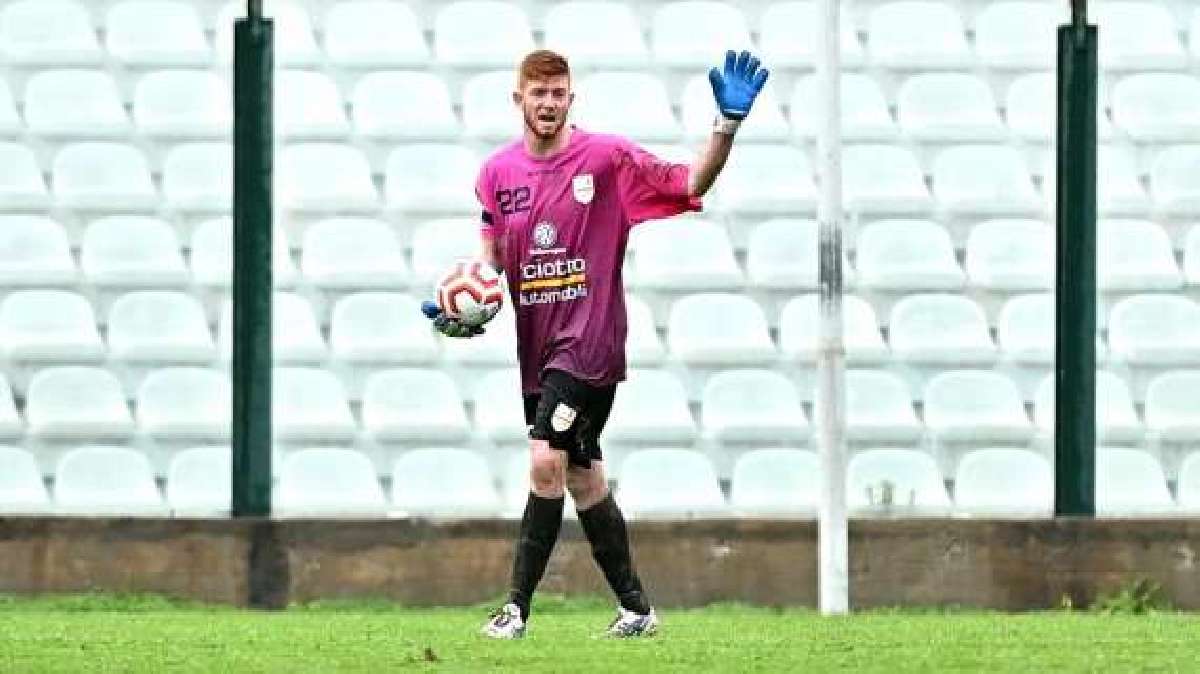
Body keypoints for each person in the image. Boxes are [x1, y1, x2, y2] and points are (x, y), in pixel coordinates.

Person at [422, 48, 768, 638]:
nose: (549, 103)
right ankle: (637, 610)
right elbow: (491, 266)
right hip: (538, 354)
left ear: (570, 99)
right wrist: (468, 311)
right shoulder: (496, 175)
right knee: (583, 479)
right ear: (519, 100)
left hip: (591, 345)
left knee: (543, 461)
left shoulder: (606, 159)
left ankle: (514, 611)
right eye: (539, 94)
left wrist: (725, 126)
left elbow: (690, 181)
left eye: (559, 94)